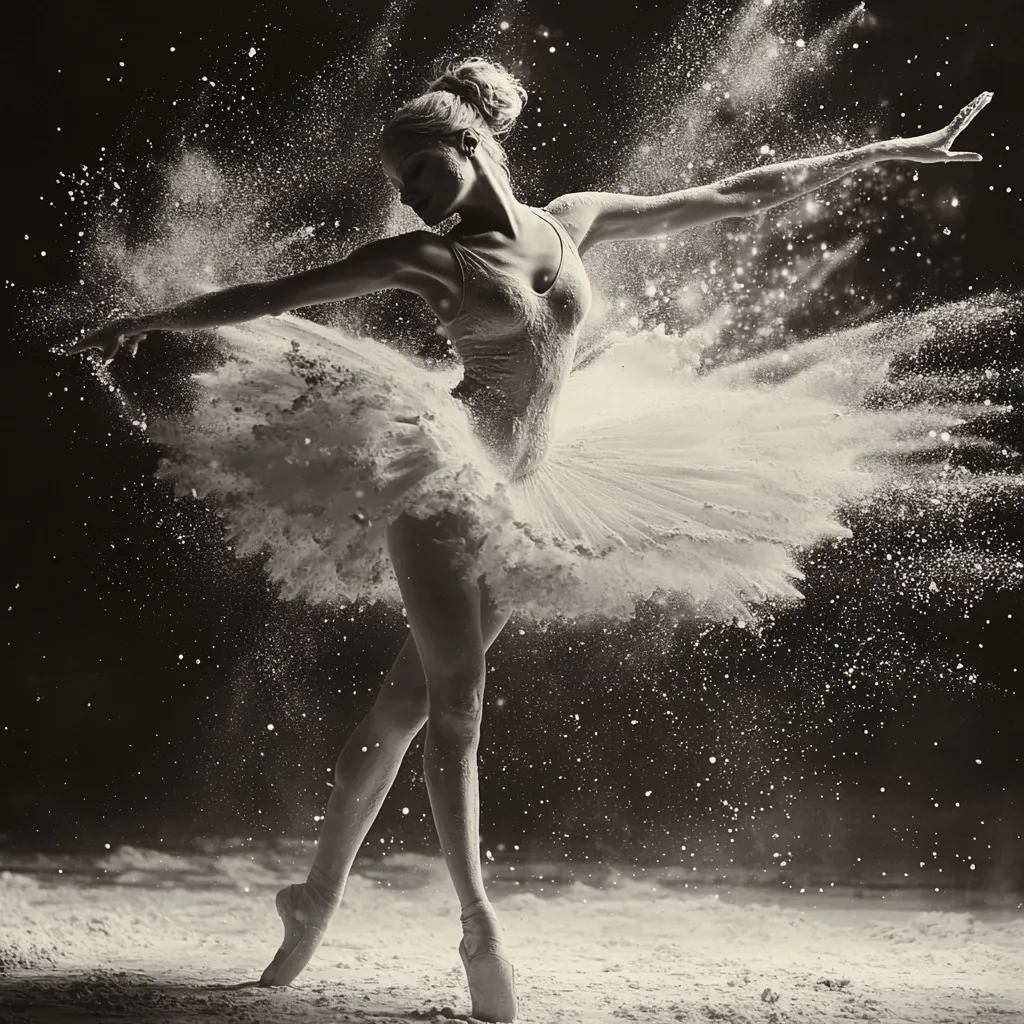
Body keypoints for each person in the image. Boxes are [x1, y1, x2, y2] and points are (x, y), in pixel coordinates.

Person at [71, 57, 991, 1022]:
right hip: (445, 481)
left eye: (420, 173)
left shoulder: (575, 218)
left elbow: (727, 197)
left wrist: (886, 149)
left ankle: (313, 898)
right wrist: (156, 316)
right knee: (458, 705)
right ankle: (479, 929)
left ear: (470, 147)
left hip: (532, 490)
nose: (409, 198)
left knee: (403, 708)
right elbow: (275, 293)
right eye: (399, 185)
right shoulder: (429, 261)